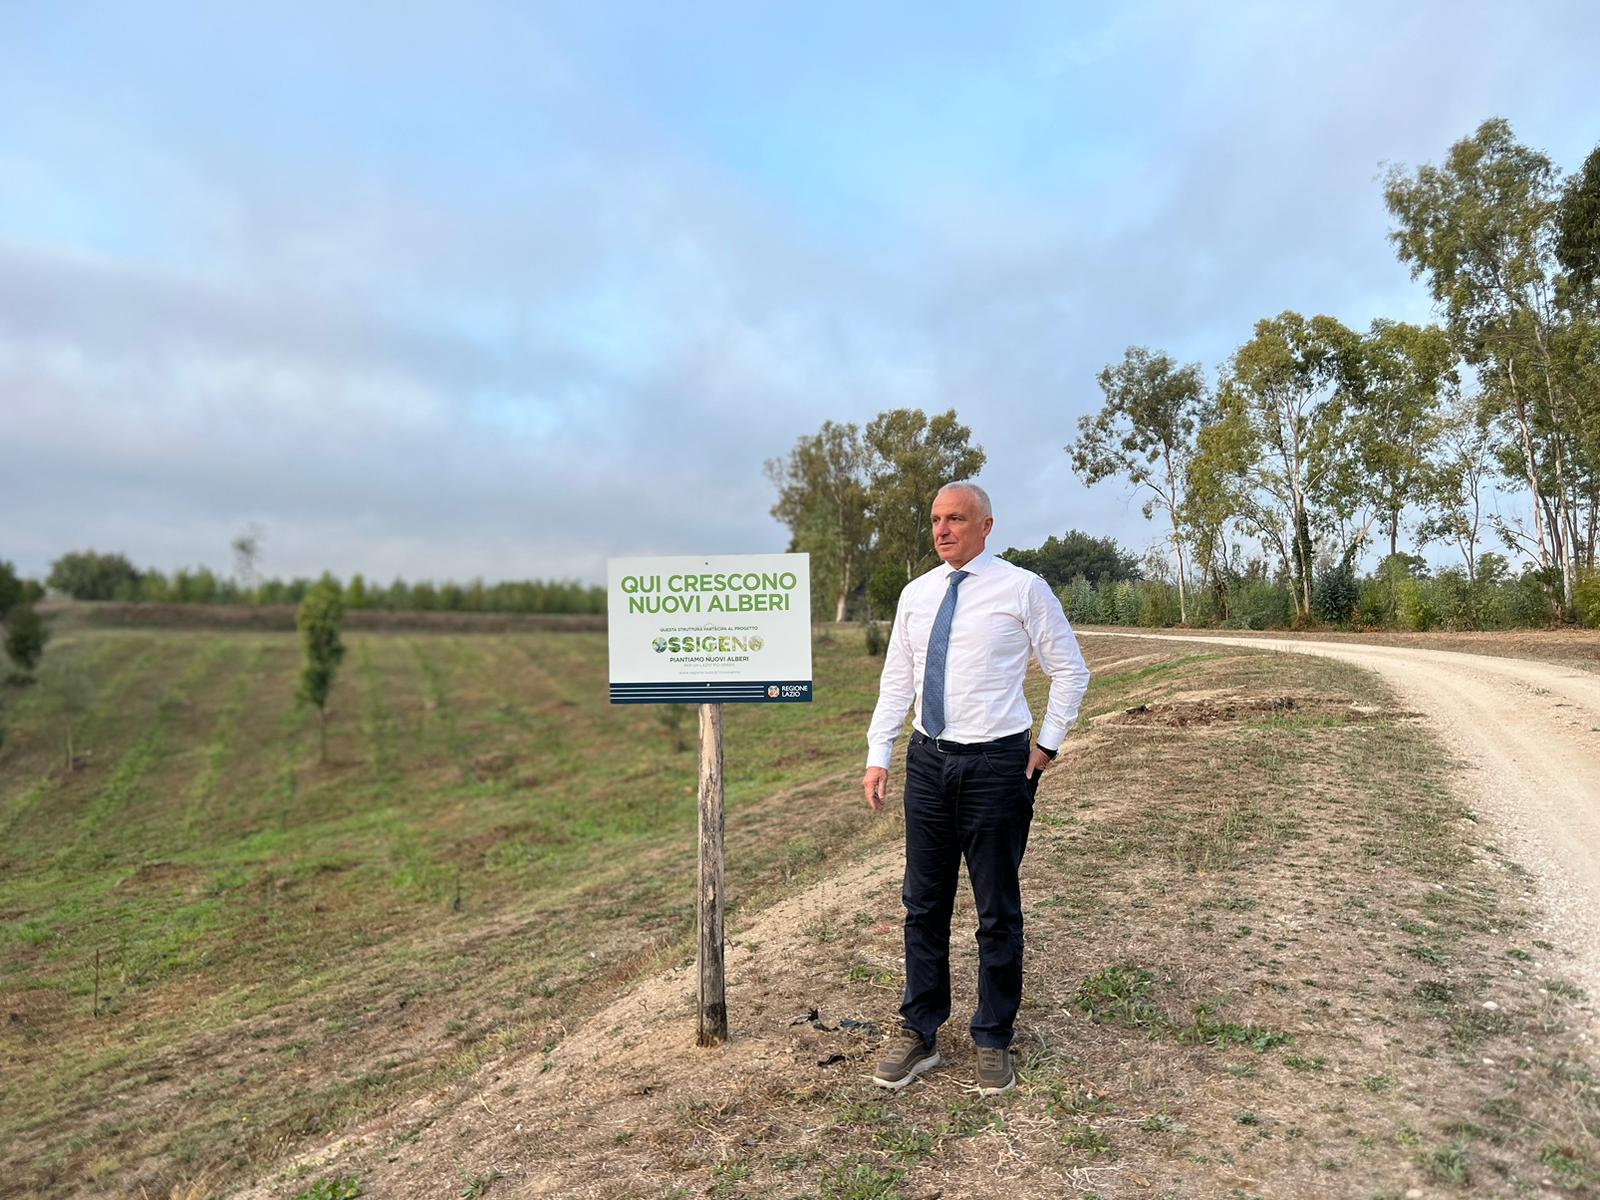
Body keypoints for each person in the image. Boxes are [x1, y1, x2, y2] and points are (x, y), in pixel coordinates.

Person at [862, 480, 1091, 1095]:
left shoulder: (1022, 589)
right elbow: (897, 680)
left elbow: (1071, 670)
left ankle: (993, 1036)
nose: (942, 530)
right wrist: (878, 753)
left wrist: (1047, 745)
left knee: (996, 910)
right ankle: (919, 1030)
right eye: (936, 519)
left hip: (996, 765)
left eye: (956, 519)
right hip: (929, 764)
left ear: (986, 525)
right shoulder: (916, 595)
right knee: (924, 904)